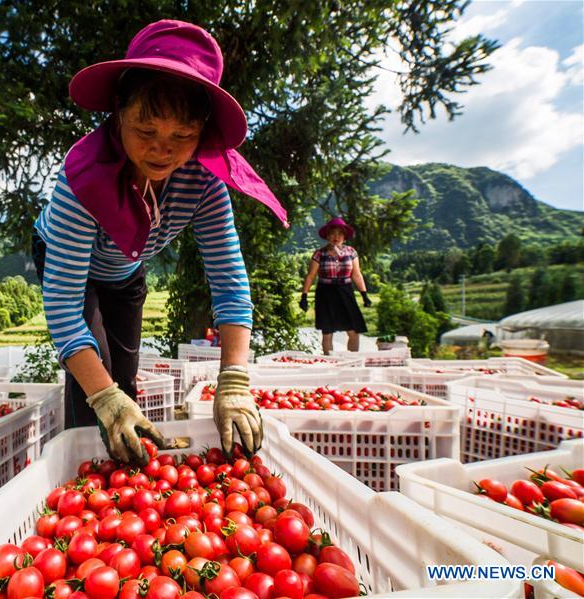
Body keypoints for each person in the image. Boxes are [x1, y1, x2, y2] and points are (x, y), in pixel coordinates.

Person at [31, 20, 289, 465]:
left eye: (183, 137)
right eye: (144, 131)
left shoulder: (204, 181)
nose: (161, 151)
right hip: (69, 265)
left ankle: (129, 457)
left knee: (124, 374)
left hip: (126, 268)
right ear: (118, 112)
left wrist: (234, 381)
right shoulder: (81, 181)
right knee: (96, 385)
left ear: (202, 132)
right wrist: (104, 397)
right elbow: (63, 307)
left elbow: (229, 282)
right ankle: (87, 467)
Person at [299, 217, 372, 354]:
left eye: (339, 234)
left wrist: (364, 294)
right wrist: (304, 296)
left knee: (353, 330)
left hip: (346, 291)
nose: (336, 237)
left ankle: (352, 361)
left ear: (344, 237)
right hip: (325, 292)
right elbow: (310, 276)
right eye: (332, 233)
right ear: (327, 236)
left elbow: (356, 274)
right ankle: (329, 362)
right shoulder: (320, 253)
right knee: (327, 332)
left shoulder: (351, 252)